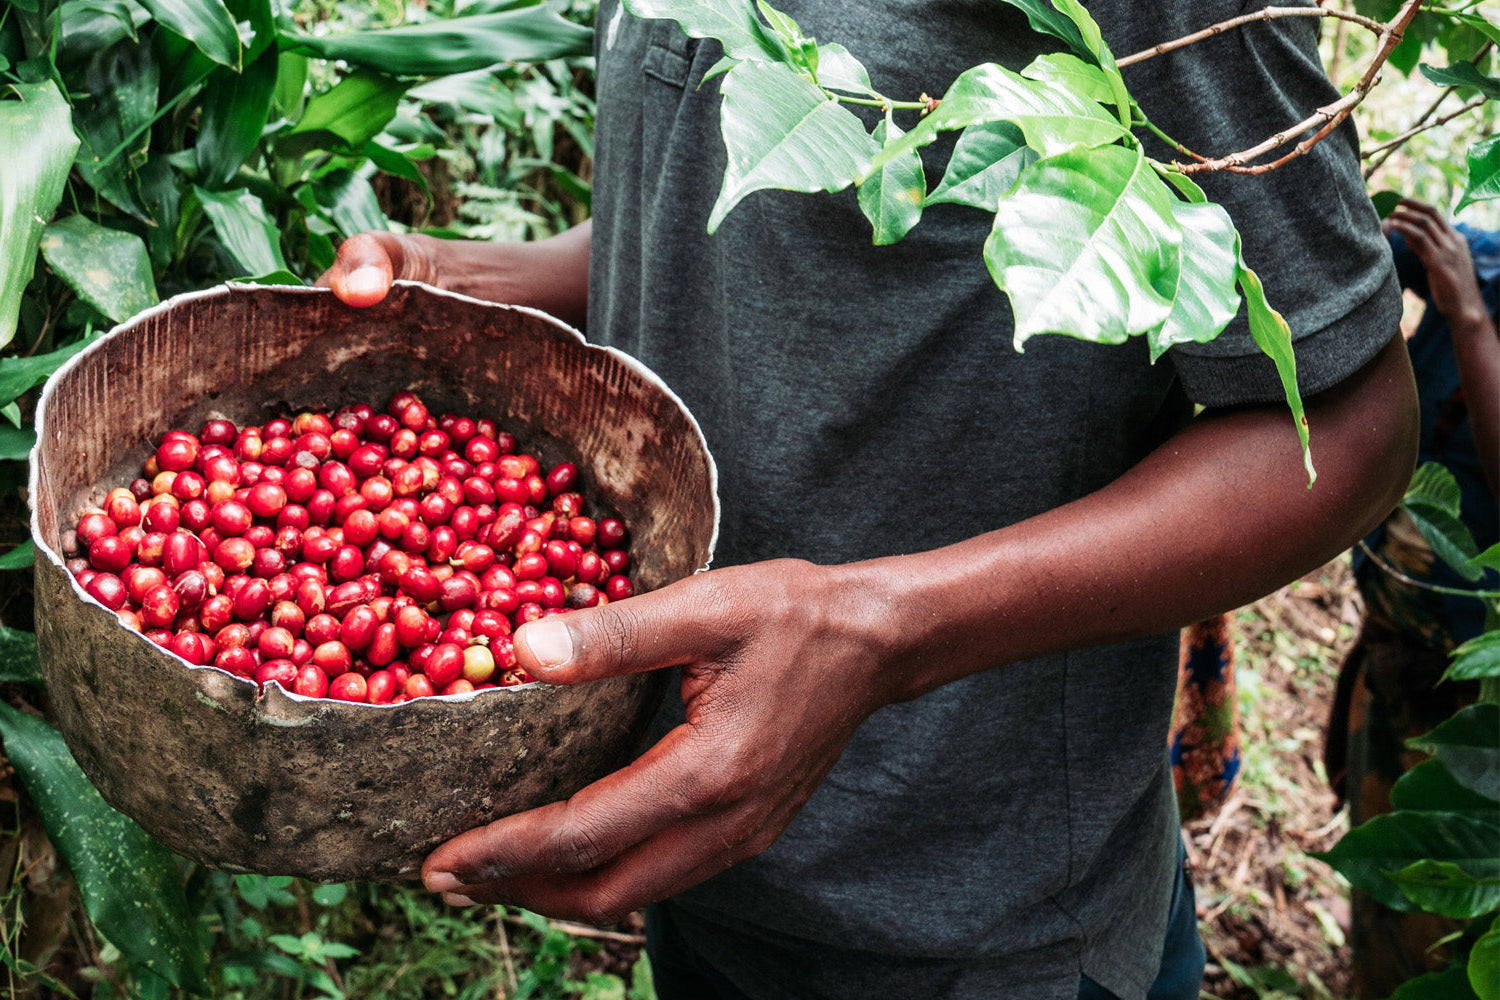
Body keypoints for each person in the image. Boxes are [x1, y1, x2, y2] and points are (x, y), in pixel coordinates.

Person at [323, 4, 1419, 998]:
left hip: (973, 918)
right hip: (701, 833)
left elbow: (1348, 422)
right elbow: (755, 180)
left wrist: (884, 632)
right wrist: (489, 280)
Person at [1324, 199, 1499, 998]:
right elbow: (1340, 257)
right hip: (1400, 638)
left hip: (1475, 685)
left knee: (1439, 914)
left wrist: (1467, 319)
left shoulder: (1476, 287)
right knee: (1379, 833)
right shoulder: (1484, 256)